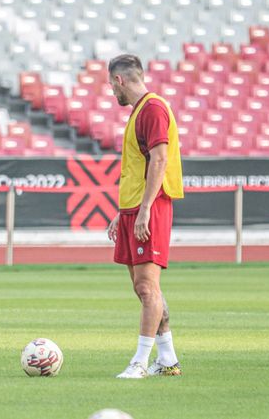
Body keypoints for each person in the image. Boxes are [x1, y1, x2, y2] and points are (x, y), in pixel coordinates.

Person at [105, 54, 184, 379]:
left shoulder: (152, 108)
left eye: (112, 86)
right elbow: (139, 166)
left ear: (120, 80)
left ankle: (139, 361)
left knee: (148, 288)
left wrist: (146, 209)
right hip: (133, 208)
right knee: (144, 288)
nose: (113, 93)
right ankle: (167, 358)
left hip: (149, 208)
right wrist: (121, 212)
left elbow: (160, 159)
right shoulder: (141, 110)